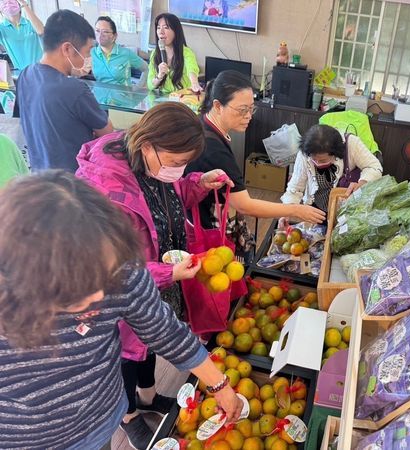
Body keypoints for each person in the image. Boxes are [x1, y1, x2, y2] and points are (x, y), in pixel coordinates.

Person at [0, 171, 242, 450]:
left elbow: (164, 330)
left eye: (105, 278)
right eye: (75, 290)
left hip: (101, 420)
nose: (99, 295)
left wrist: (219, 385)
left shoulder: (119, 268)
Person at [77, 101, 233, 449]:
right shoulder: (106, 189)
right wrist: (168, 272)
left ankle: (147, 397)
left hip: (160, 279)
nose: (179, 170)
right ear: (148, 145)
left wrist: (199, 183)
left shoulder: (153, 164)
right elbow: (109, 268)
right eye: (176, 163)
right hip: (119, 292)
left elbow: (171, 197)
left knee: (147, 341)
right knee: (126, 354)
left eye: (185, 164)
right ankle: (128, 415)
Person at [185, 70, 326, 258]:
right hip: (206, 227)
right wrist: (295, 210)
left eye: (252, 108)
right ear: (218, 106)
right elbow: (244, 205)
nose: (249, 116)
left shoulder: (205, 124)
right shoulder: (213, 149)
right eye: (242, 110)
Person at [17, 9, 113, 172]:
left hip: (40, 177)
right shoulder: (75, 90)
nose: (89, 57)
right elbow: (108, 134)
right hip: (73, 183)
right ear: (68, 49)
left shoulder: (26, 75)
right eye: (88, 50)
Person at [281, 124, 383, 212]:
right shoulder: (305, 151)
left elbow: (374, 166)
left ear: (336, 153)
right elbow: (295, 187)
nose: (317, 163)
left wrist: (362, 183)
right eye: (314, 159)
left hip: (346, 207)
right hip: (317, 207)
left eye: (323, 160)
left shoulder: (351, 144)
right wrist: (287, 212)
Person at [148, 13, 200, 94]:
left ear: (175, 31)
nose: (161, 32)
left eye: (165, 27)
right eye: (158, 28)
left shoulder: (186, 52)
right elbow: (150, 85)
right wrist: (159, 76)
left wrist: (194, 83)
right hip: (163, 101)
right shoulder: (155, 54)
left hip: (183, 100)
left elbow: (192, 69)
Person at [92, 16, 148, 88]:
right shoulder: (92, 53)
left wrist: (138, 87)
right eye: (97, 31)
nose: (100, 35)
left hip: (122, 97)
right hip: (100, 97)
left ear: (114, 36)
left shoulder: (126, 53)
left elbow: (146, 68)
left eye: (105, 32)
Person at [0, 0, 43, 70]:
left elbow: (41, 30)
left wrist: (24, 4)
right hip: (21, 74)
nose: (8, 3)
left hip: (40, 69)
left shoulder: (30, 23)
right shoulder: (1, 28)